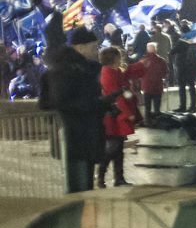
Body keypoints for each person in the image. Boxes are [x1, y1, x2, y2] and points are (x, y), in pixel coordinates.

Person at [46, 26, 122, 193]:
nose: (97, 51)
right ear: (79, 47)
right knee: (80, 189)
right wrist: (99, 103)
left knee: (85, 185)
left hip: (86, 132)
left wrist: (104, 104)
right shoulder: (66, 70)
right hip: (76, 134)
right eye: (93, 47)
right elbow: (63, 102)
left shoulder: (83, 68)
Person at [97, 46, 147, 188]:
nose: (121, 59)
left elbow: (126, 76)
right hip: (114, 116)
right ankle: (102, 176)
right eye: (119, 57)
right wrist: (129, 113)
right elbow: (116, 95)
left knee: (117, 149)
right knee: (113, 148)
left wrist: (139, 65)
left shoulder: (114, 71)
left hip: (117, 115)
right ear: (114, 59)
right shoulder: (108, 73)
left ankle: (118, 178)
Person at [172, 23, 196, 112]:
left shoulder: (183, 40)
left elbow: (173, 51)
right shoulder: (195, 40)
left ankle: (183, 106)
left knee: (182, 87)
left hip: (182, 66)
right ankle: (193, 107)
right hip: (192, 66)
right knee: (192, 87)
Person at [137, 42, 168, 121]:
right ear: (156, 50)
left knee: (147, 107)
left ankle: (148, 121)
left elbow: (138, 73)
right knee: (157, 107)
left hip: (146, 86)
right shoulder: (161, 60)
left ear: (147, 50)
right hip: (158, 86)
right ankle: (157, 121)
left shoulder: (143, 61)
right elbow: (165, 72)